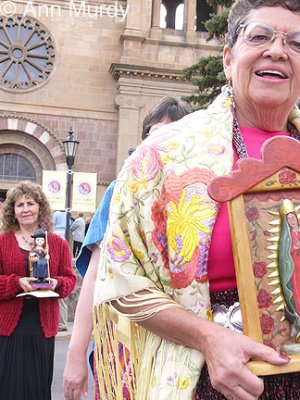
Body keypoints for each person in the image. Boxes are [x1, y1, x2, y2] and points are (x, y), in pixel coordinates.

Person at [92, 1, 300, 399]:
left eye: (296, 43)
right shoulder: (163, 156)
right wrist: (208, 338)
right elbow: (120, 278)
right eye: (259, 37)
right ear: (228, 57)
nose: (277, 50)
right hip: (209, 379)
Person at [63, 96, 191, 400]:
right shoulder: (121, 190)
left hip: (180, 350)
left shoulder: (197, 194)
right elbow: (96, 276)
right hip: (122, 348)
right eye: (154, 132)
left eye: (172, 132)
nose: (161, 140)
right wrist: (76, 353)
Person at [0, 180, 77, 400]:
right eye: (19, 205)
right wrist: (17, 283)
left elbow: (70, 279)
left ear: (40, 207)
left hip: (42, 327)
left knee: (36, 389)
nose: (25, 209)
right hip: (8, 328)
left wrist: (56, 283)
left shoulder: (58, 243)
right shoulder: (2, 242)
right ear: (12, 212)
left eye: (30, 203)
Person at [279, 199, 300, 343]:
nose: (292, 220)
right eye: (289, 218)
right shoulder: (287, 236)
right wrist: (295, 247)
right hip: (295, 269)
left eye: (294, 217)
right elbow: (284, 253)